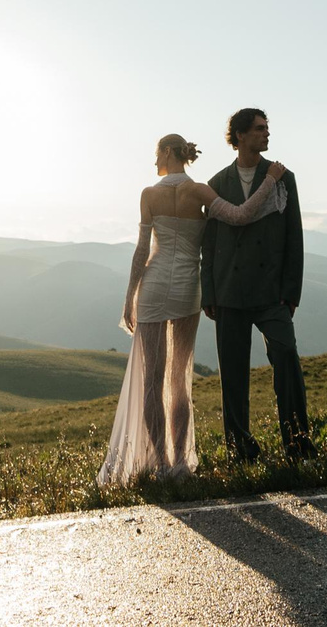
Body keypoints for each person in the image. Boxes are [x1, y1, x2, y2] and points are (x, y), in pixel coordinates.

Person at [96, 132, 287, 485]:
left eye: (157, 154)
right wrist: (270, 182)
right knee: (178, 377)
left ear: (168, 153)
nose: (155, 162)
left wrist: (129, 297)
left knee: (152, 378)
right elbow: (241, 215)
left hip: (153, 289)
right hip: (187, 290)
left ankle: (161, 462)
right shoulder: (198, 190)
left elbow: (142, 252)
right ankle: (181, 463)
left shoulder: (148, 194)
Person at [203, 106, 314, 461]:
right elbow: (209, 243)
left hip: (271, 293)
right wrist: (209, 292)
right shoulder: (218, 183)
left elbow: (293, 236)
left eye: (267, 128)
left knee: (286, 356)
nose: (267, 134)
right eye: (259, 128)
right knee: (232, 375)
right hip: (229, 291)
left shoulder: (283, 177)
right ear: (239, 135)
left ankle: (297, 443)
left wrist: (290, 292)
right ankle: (241, 450)